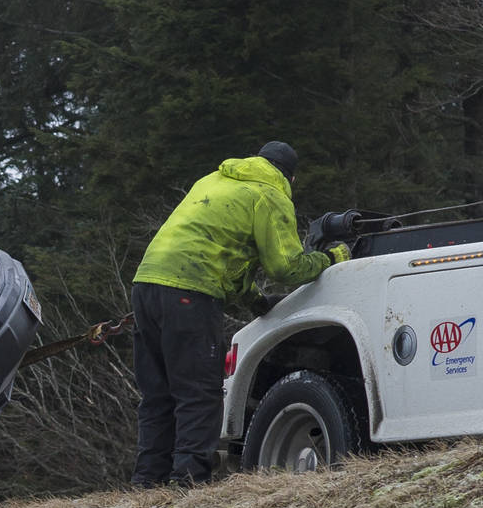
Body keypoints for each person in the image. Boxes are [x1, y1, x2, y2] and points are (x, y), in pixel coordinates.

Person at [129, 141, 348, 487]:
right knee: (198, 391)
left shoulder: (213, 181)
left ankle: (146, 484)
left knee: (157, 394)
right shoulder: (269, 195)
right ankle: (187, 484)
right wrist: (332, 258)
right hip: (190, 291)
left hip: (145, 286)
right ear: (290, 176)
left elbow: (221, 254)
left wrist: (254, 300)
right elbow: (286, 266)